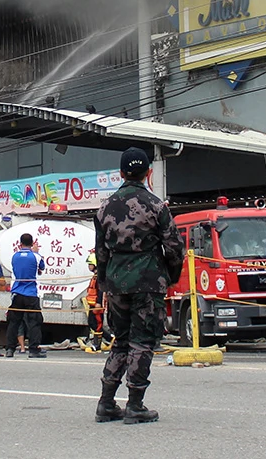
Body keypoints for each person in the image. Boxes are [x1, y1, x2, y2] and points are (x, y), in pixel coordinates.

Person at [92, 147, 184, 425]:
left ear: (120, 173)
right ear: (148, 173)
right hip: (148, 281)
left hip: (117, 282)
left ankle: (106, 403)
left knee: (120, 341)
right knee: (142, 342)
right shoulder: (157, 206)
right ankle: (135, 404)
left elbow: (101, 253)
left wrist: (107, 282)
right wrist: (170, 275)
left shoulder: (104, 208)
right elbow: (174, 248)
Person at [5, 233, 46, 358]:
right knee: (34, 321)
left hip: (17, 292)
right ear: (33, 243)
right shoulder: (36, 256)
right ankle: (33, 349)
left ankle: (10, 349)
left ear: (20, 243)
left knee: (14, 322)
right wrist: (36, 252)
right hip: (31, 293)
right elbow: (42, 268)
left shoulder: (15, 256)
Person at [84, 252, 105, 351]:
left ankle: (97, 346)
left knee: (97, 324)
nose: (89, 267)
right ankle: (109, 338)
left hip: (97, 304)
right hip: (92, 304)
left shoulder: (99, 277)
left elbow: (101, 290)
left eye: (90, 264)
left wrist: (99, 303)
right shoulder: (95, 276)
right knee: (92, 322)